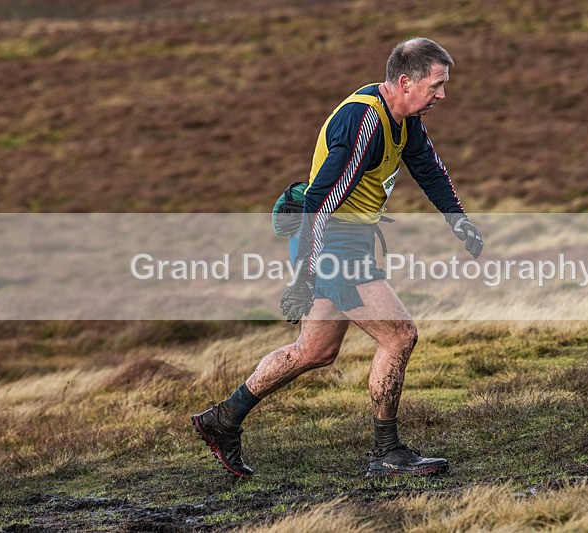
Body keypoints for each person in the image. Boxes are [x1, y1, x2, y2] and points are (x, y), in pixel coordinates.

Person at [192, 37, 484, 478]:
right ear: (405, 82)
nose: (442, 95)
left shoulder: (402, 118)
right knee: (399, 336)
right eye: (436, 85)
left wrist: (458, 220)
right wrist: (305, 277)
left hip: (348, 241)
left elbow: (427, 167)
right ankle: (386, 453)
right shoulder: (364, 121)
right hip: (331, 244)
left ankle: (223, 419)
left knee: (314, 350)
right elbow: (319, 202)